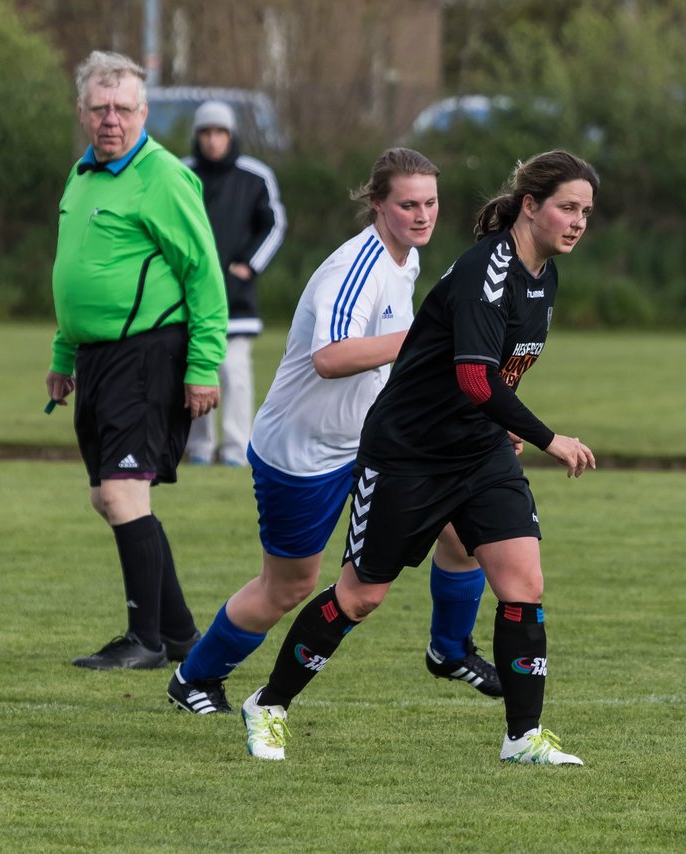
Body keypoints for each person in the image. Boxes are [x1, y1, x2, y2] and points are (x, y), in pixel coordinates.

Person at [236, 150, 600, 765]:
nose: (578, 222)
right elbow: (476, 379)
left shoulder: (546, 277)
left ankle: (523, 737)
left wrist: (503, 429)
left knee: (523, 583)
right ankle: (268, 706)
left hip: (477, 452)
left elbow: (500, 375)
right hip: (409, 453)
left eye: (586, 212)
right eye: (567, 207)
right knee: (360, 597)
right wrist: (546, 437)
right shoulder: (489, 269)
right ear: (531, 206)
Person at [166, 148, 502, 716]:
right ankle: (193, 678)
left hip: (376, 443)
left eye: (431, 203)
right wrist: (426, 337)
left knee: (460, 533)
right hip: (303, 451)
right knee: (289, 586)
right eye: (408, 204)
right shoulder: (355, 269)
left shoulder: (406, 259)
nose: (423, 216)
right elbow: (331, 356)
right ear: (376, 203)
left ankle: (448, 649)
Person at [45, 51, 227, 670]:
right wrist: (63, 353)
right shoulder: (82, 175)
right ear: (82, 111)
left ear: (144, 112)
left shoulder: (164, 177)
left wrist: (204, 365)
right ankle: (179, 637)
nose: (111, 120)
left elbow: (204, 276)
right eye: (100, 108)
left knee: (124, 494)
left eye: (124, 108)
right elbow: (75, 274)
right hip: (96, 358)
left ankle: (144, 640)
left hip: (147, 353)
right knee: (111, 498)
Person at [183, 100, 287, 468]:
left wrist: (249, 266)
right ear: (196, 136)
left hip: (236, 299)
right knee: (196, 369)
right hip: (189, 297)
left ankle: (235, 449)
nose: (213, 140)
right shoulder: (180, 173)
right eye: (206, 133)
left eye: (220, 132)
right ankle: (197, 447)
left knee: (234, 372)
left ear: (232, 135)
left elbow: (274, 225)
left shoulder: (255, 176)